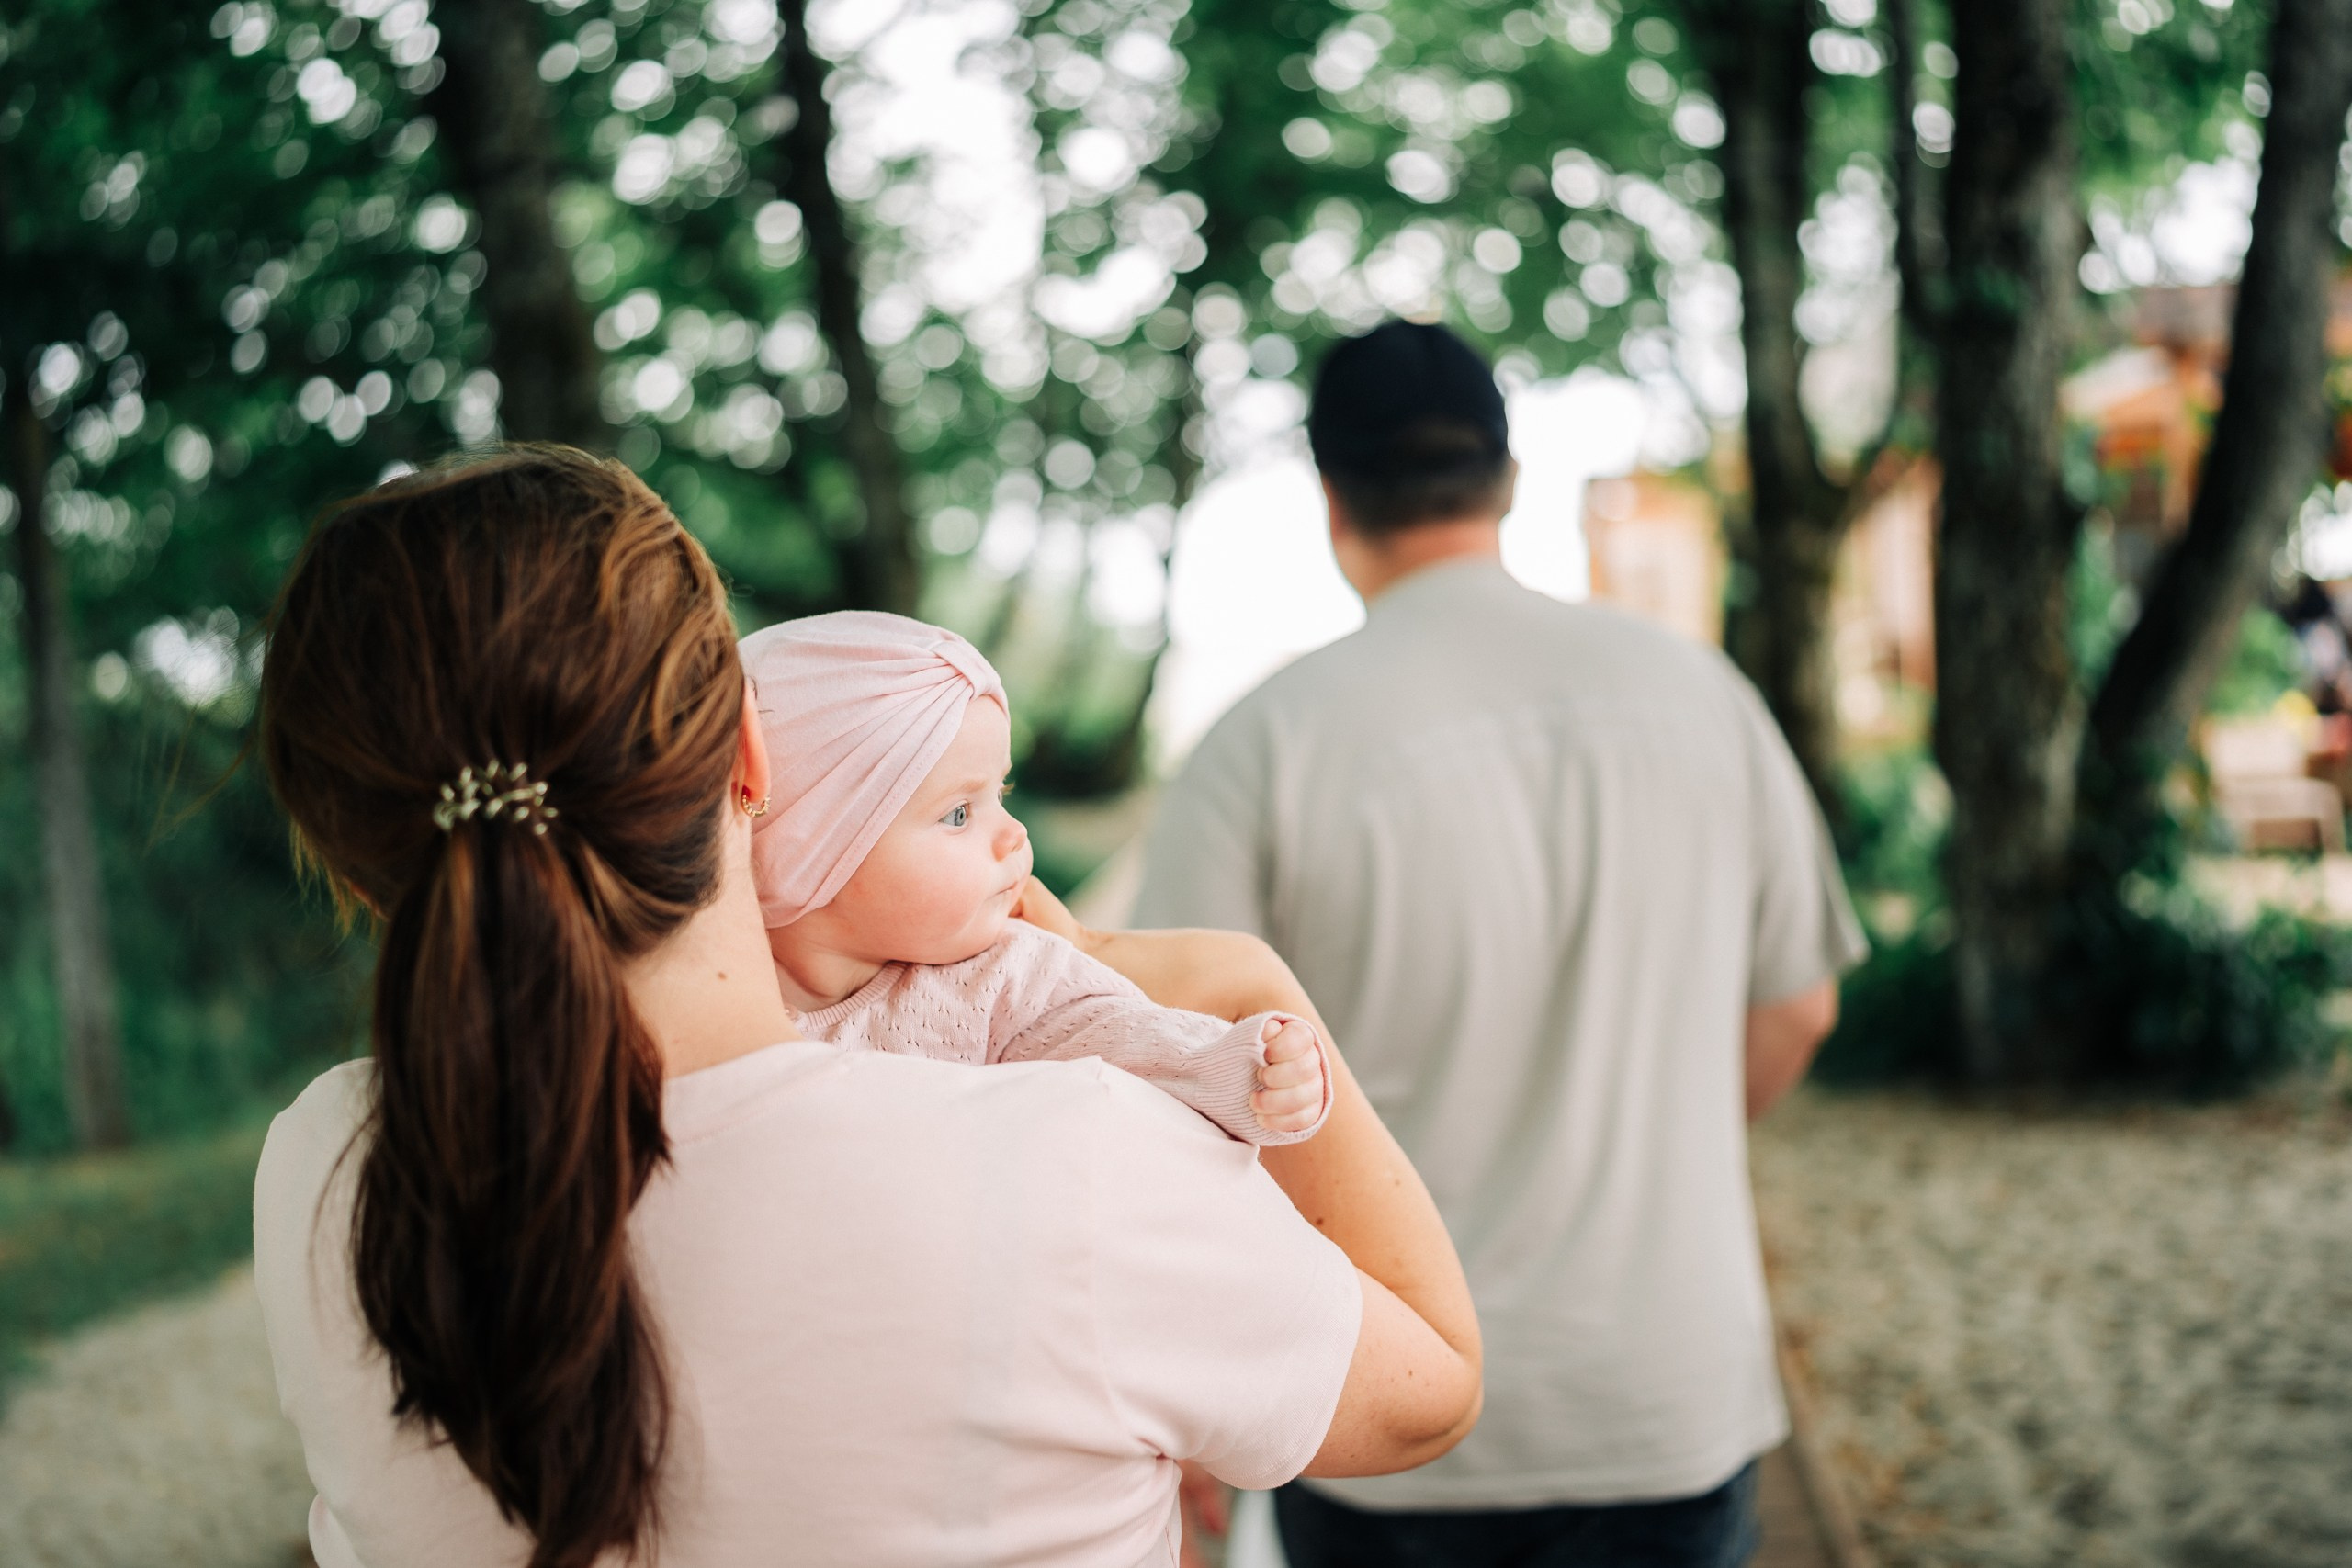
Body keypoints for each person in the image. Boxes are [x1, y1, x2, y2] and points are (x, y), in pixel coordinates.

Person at [249, 446, 1481, 1568]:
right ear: (747, 753)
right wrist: (1245, 978)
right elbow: (1431, 1383)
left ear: (359, 869)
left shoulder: (320, 1173)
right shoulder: (1074, 1154)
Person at [1135, 321, 1868, 1568]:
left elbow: (1164, 1091)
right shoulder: (1703, 698)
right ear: (1509, 479)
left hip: (1383, 1399)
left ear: (1332, 498)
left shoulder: (1263, 744)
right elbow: (1797, 1008)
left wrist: (1189, 1394)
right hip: (1661, 1389)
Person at [736, 610, 1329, 1147]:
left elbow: (1121, 1036)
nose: (1015, 834)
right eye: (960, 813)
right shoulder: (713, 1003)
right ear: (809, 846)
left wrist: (1239, 1069)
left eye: (1002, 792)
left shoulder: (1003, 975)